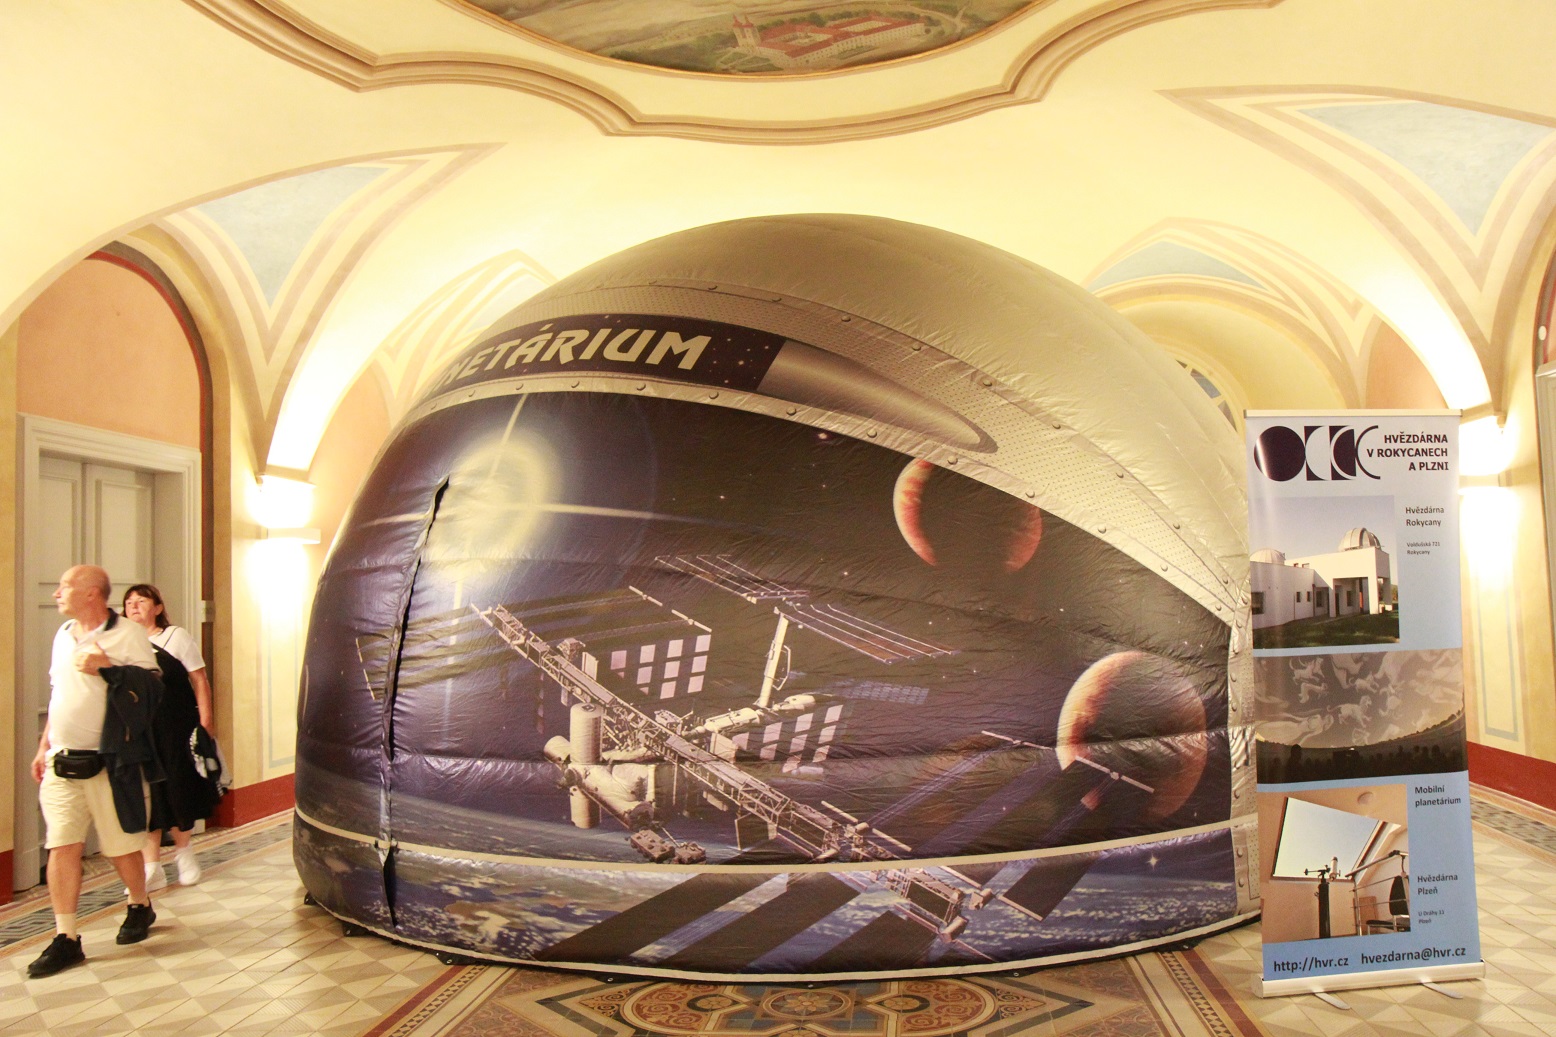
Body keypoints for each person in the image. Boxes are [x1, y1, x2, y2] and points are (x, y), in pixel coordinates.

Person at [28, 565, 160, 979]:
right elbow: (59, 694)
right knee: (62, 844)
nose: (57, 593)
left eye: (65, 586)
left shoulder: (128, 635)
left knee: (120, 846)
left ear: (91, 593)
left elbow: (153, 690)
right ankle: (66, 936)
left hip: (110, 761)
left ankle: (139, 903)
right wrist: (44, 745)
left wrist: (108, 669)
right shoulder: (63, 634)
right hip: (62, 760)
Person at [122, 583, 217, 889]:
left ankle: (184, 853)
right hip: (142, 730)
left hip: (176, 725)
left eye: (141, 601)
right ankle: (152, 867)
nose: (134, 606)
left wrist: (206, 721)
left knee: (177, 786)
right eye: (129, 602)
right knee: (148, 794)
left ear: (158, 608)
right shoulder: (123, 643)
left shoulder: (175, 637)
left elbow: (199, 679)